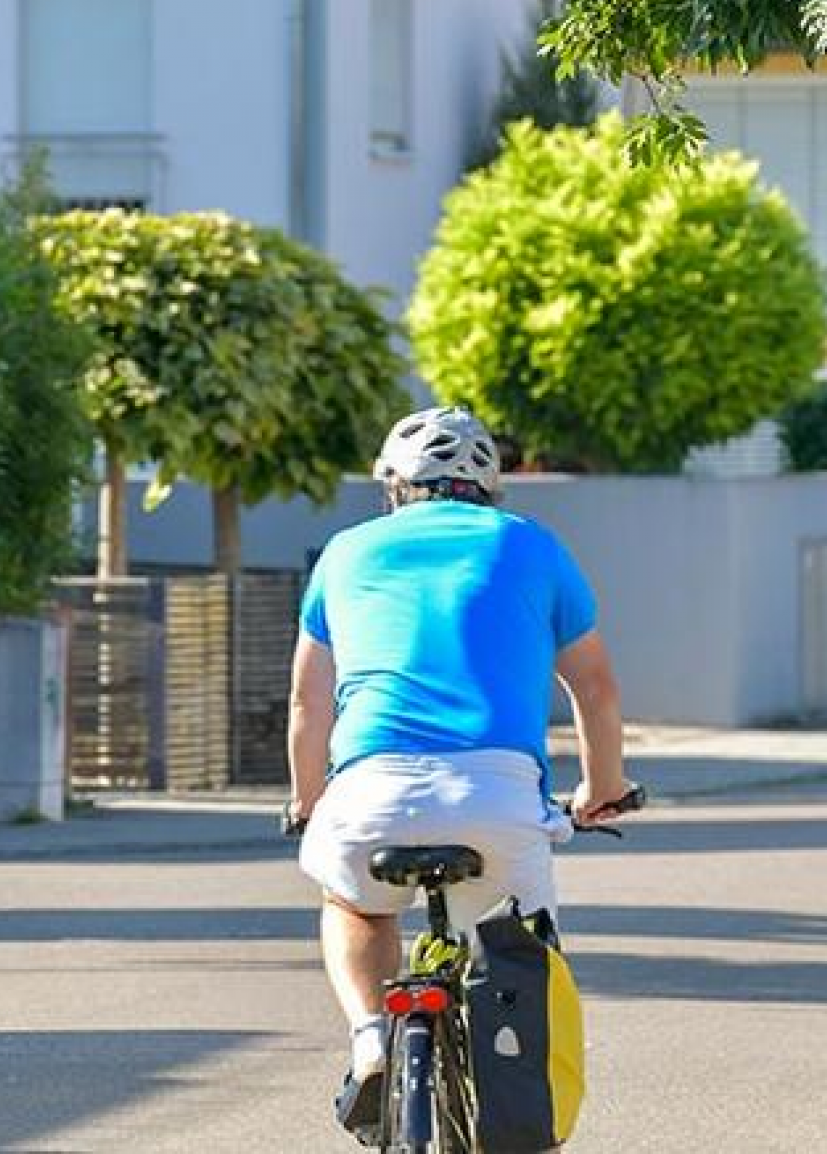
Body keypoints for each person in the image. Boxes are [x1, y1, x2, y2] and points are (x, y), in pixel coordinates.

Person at [283, 405, 628, 1138]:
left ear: (393, 486)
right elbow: (593, 688)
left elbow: (307, 701)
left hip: (367, 791)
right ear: (489, 488)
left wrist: (309, 801)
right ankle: (514, 1106)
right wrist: (601, 789)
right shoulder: (531, 546)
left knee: (355, 903)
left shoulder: (345, 553)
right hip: (496, 797)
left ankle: (373, 1037)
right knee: (515, 947)